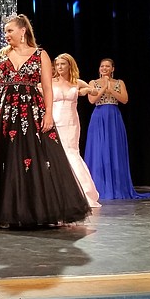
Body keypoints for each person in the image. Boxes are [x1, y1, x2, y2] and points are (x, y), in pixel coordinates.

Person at [0, 14, 92, 228]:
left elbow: (47, 88)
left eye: (9, 31)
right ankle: (3, 211)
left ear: (23, 31)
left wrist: (48, 113)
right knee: (5, 159)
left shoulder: (40, 55)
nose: (6, 35)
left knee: (35, 158)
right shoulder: (0, 56)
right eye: (5, 32)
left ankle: (36, 209)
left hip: (32, 112)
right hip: (5, 112)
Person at [84, 58, 150, 200]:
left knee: (114, 150)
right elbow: (91, 100)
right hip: (99, 117)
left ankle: (117, 187)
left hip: (114, 117)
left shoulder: (119, 83)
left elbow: (124, 99)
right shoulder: (92, 83)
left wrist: (110, 88)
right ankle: (98, 188)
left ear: (113, 69)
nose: (104, 68)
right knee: (99, 150)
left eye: (107, 66)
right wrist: (104, 88)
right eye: (102, 66)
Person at [49, 53, 101, 208]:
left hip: (71, 122)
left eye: (63, 64)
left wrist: (87, 91)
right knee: (57, 154)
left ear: (69, 65)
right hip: (54, 122)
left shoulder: (76, 82)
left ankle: (83, 191)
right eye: (57, 65)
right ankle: (57, 191)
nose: (59, 67)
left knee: (71, 152)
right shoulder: (50, 82)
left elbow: (94, 92)